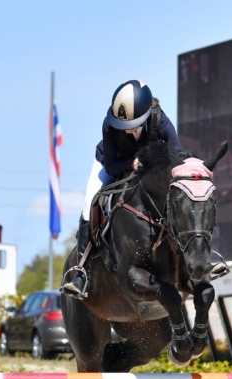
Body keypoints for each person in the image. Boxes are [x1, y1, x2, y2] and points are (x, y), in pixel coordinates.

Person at [60, 79, 183, 299]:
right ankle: (80, 272)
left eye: (132, 125)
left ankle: (195, 258)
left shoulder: (160, 120)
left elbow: (177, 155)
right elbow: (110, 165)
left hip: (149, 165)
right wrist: (130, 164)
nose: (126, 131)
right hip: (114, 162)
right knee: (89, 202)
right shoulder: (109, 125)